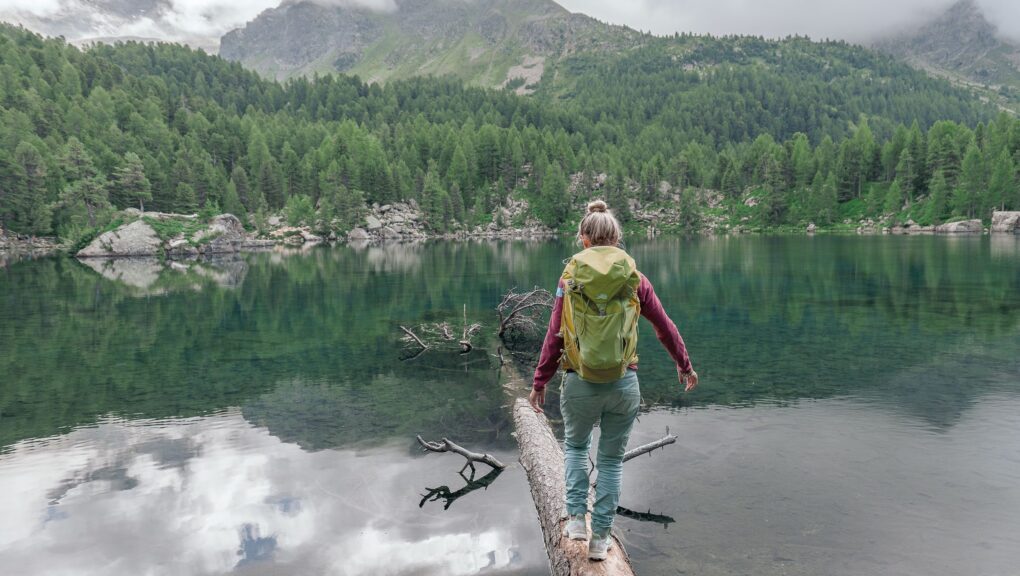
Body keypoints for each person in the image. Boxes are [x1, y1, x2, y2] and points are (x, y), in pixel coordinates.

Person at [528, 199, 698, 561]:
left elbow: (554, 334)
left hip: (579, 382)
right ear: (617, 239)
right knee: (610, 463)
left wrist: (540, 381)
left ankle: (576, 519)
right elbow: (663, 327)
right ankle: (601, 539)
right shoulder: (634, 278)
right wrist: (684, 364)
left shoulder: (570, 279)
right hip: (623, 384)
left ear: (584, 239)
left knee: (575, 448)